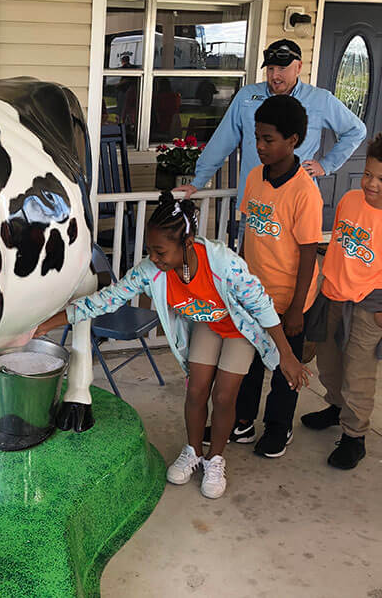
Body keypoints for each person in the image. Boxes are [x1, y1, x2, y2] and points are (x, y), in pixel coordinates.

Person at [35, 192, 311, 499]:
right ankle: (193, 450)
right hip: (208, 327)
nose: (153, 258)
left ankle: (215, 458)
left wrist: (286, 354)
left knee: (223, 396)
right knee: (196, 390)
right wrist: (50, 322)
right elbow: (107, 299)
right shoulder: (152, 270)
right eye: (150, 250)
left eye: (160, 251)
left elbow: (262, 307)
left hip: (239, 331)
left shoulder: (224, 264)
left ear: (187, 244)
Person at [204, 95, 323, 458]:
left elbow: (307, 254)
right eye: (256, 138)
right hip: (252, 292)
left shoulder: (304, 192)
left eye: (268, 139)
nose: (259, 146)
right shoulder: (255, 176)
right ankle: (242, 421)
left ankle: (278, 427)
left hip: (289, 298)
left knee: (286, 367)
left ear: (293, 140)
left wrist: (296, 309)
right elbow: (247, 234)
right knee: (249, 361)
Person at [302, 132, 382, 470]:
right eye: (369, 174)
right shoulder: (350, 201)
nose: (371, 183)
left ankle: (355, 436)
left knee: (359, 372)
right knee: (329, 362)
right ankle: (335, 407)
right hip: (333, 296)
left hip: (370, 308)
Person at [174, 39, 366, 228]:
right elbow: (222, 140)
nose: (275, 75)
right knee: (249, 258)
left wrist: (326, 164)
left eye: (282, 69)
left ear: (298, 67)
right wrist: (197, 181)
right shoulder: (247, 96)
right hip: (255, 206)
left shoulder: (320, 99)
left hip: (295, 206)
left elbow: (356, 130)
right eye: (271, 68)